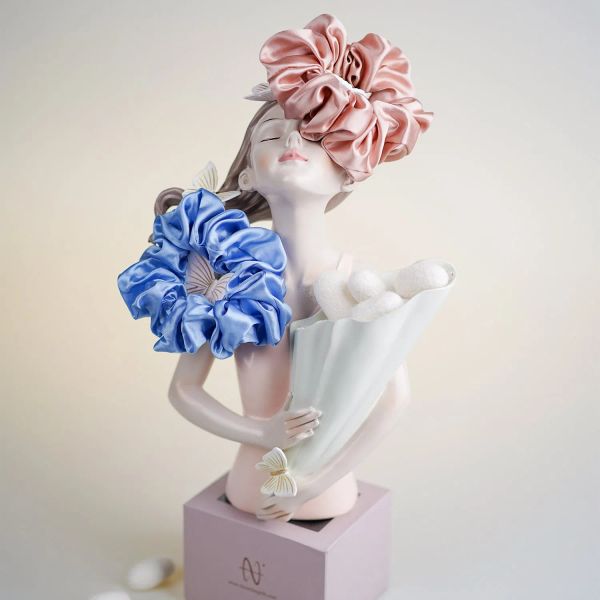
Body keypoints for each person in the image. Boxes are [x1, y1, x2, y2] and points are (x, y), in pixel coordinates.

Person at [166, 100, 412, 520]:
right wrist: (262, 432)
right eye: (271, 135)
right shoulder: (224, 278)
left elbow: (394, 400)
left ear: (347, 173)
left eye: (315, 136)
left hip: (328, 488)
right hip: (252, 480)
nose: (294, 139)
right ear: (248, 174)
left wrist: (313, 485)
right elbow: (183, 389)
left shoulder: (359, 282)